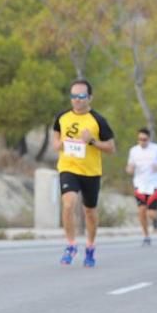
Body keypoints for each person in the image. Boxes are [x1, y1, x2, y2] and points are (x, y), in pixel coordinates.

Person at [52, 79, 116, 267]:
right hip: (68, 167)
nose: (77, 100)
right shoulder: (62, 117)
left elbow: (111, 148)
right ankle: (71, 245)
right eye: (73, 96)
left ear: (90, 98)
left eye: (81, 96)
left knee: (89, 211)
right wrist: (58, 144)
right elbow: (55, 139)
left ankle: (90, 246)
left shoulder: (98, 120)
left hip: (91, 171)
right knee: (69, 204)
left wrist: (93, 142)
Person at [125, 128, 157, 246]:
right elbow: (130, 165)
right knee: (141, 211)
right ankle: (146, 236)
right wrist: (129, 169)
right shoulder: (134, 151)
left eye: (144, 139)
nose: (142, 142)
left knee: (151, 213)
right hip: (139, 184)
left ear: (149, 139)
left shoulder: (156, 149)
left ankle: (155, 221)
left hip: (154, 184)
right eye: (140, 139)